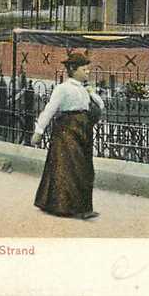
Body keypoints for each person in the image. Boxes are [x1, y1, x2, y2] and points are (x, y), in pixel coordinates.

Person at [31, 52, 104, 220]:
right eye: (84, 69)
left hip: (83, 130)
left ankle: (78, 206)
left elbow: (100, 104)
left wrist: (91, 92)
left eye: (88, 69)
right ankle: (67, 207)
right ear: (73, 69)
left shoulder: (85, 89)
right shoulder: (62, 89)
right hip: (66, 130)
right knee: (70, 168)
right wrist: (39, 131)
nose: (88, 72)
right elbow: (49, 109)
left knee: (85, 167)